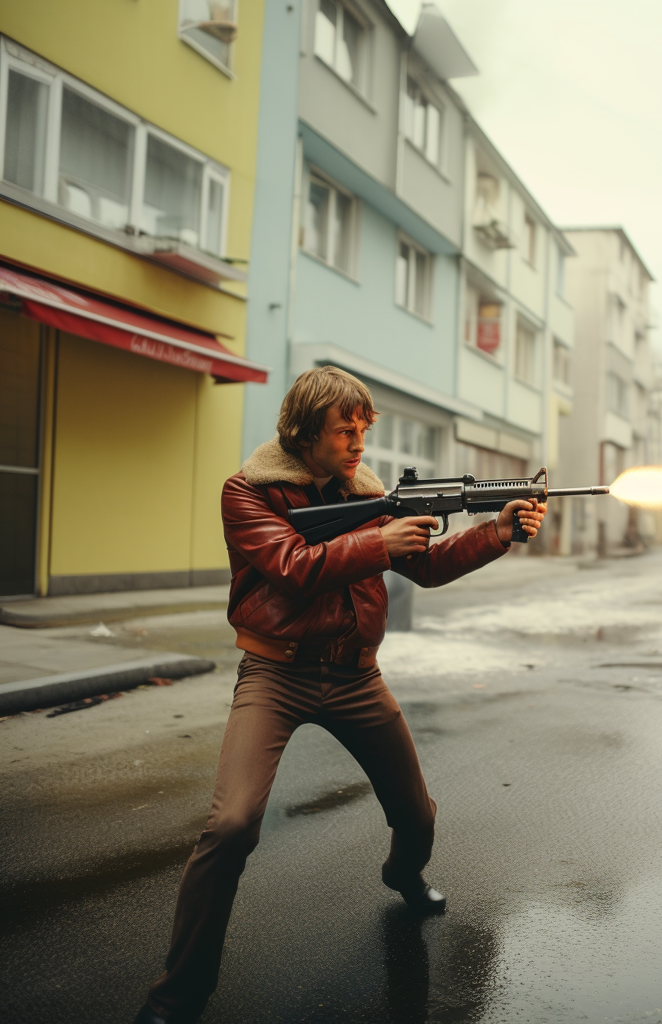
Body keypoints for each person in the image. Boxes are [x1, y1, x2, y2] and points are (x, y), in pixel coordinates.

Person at [134, 367, 546, 1024]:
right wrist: (375, 541)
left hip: (357, 676)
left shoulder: (371, 493)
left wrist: (497, 531)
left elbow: (429, 567)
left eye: (364, 431)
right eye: (345, 432)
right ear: (303, 434)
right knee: (232, 824)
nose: (359, 444)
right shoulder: (248, 492)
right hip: (277, 674)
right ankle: (176, 995)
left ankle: (402, 875)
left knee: (417, 815)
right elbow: (292, 568)